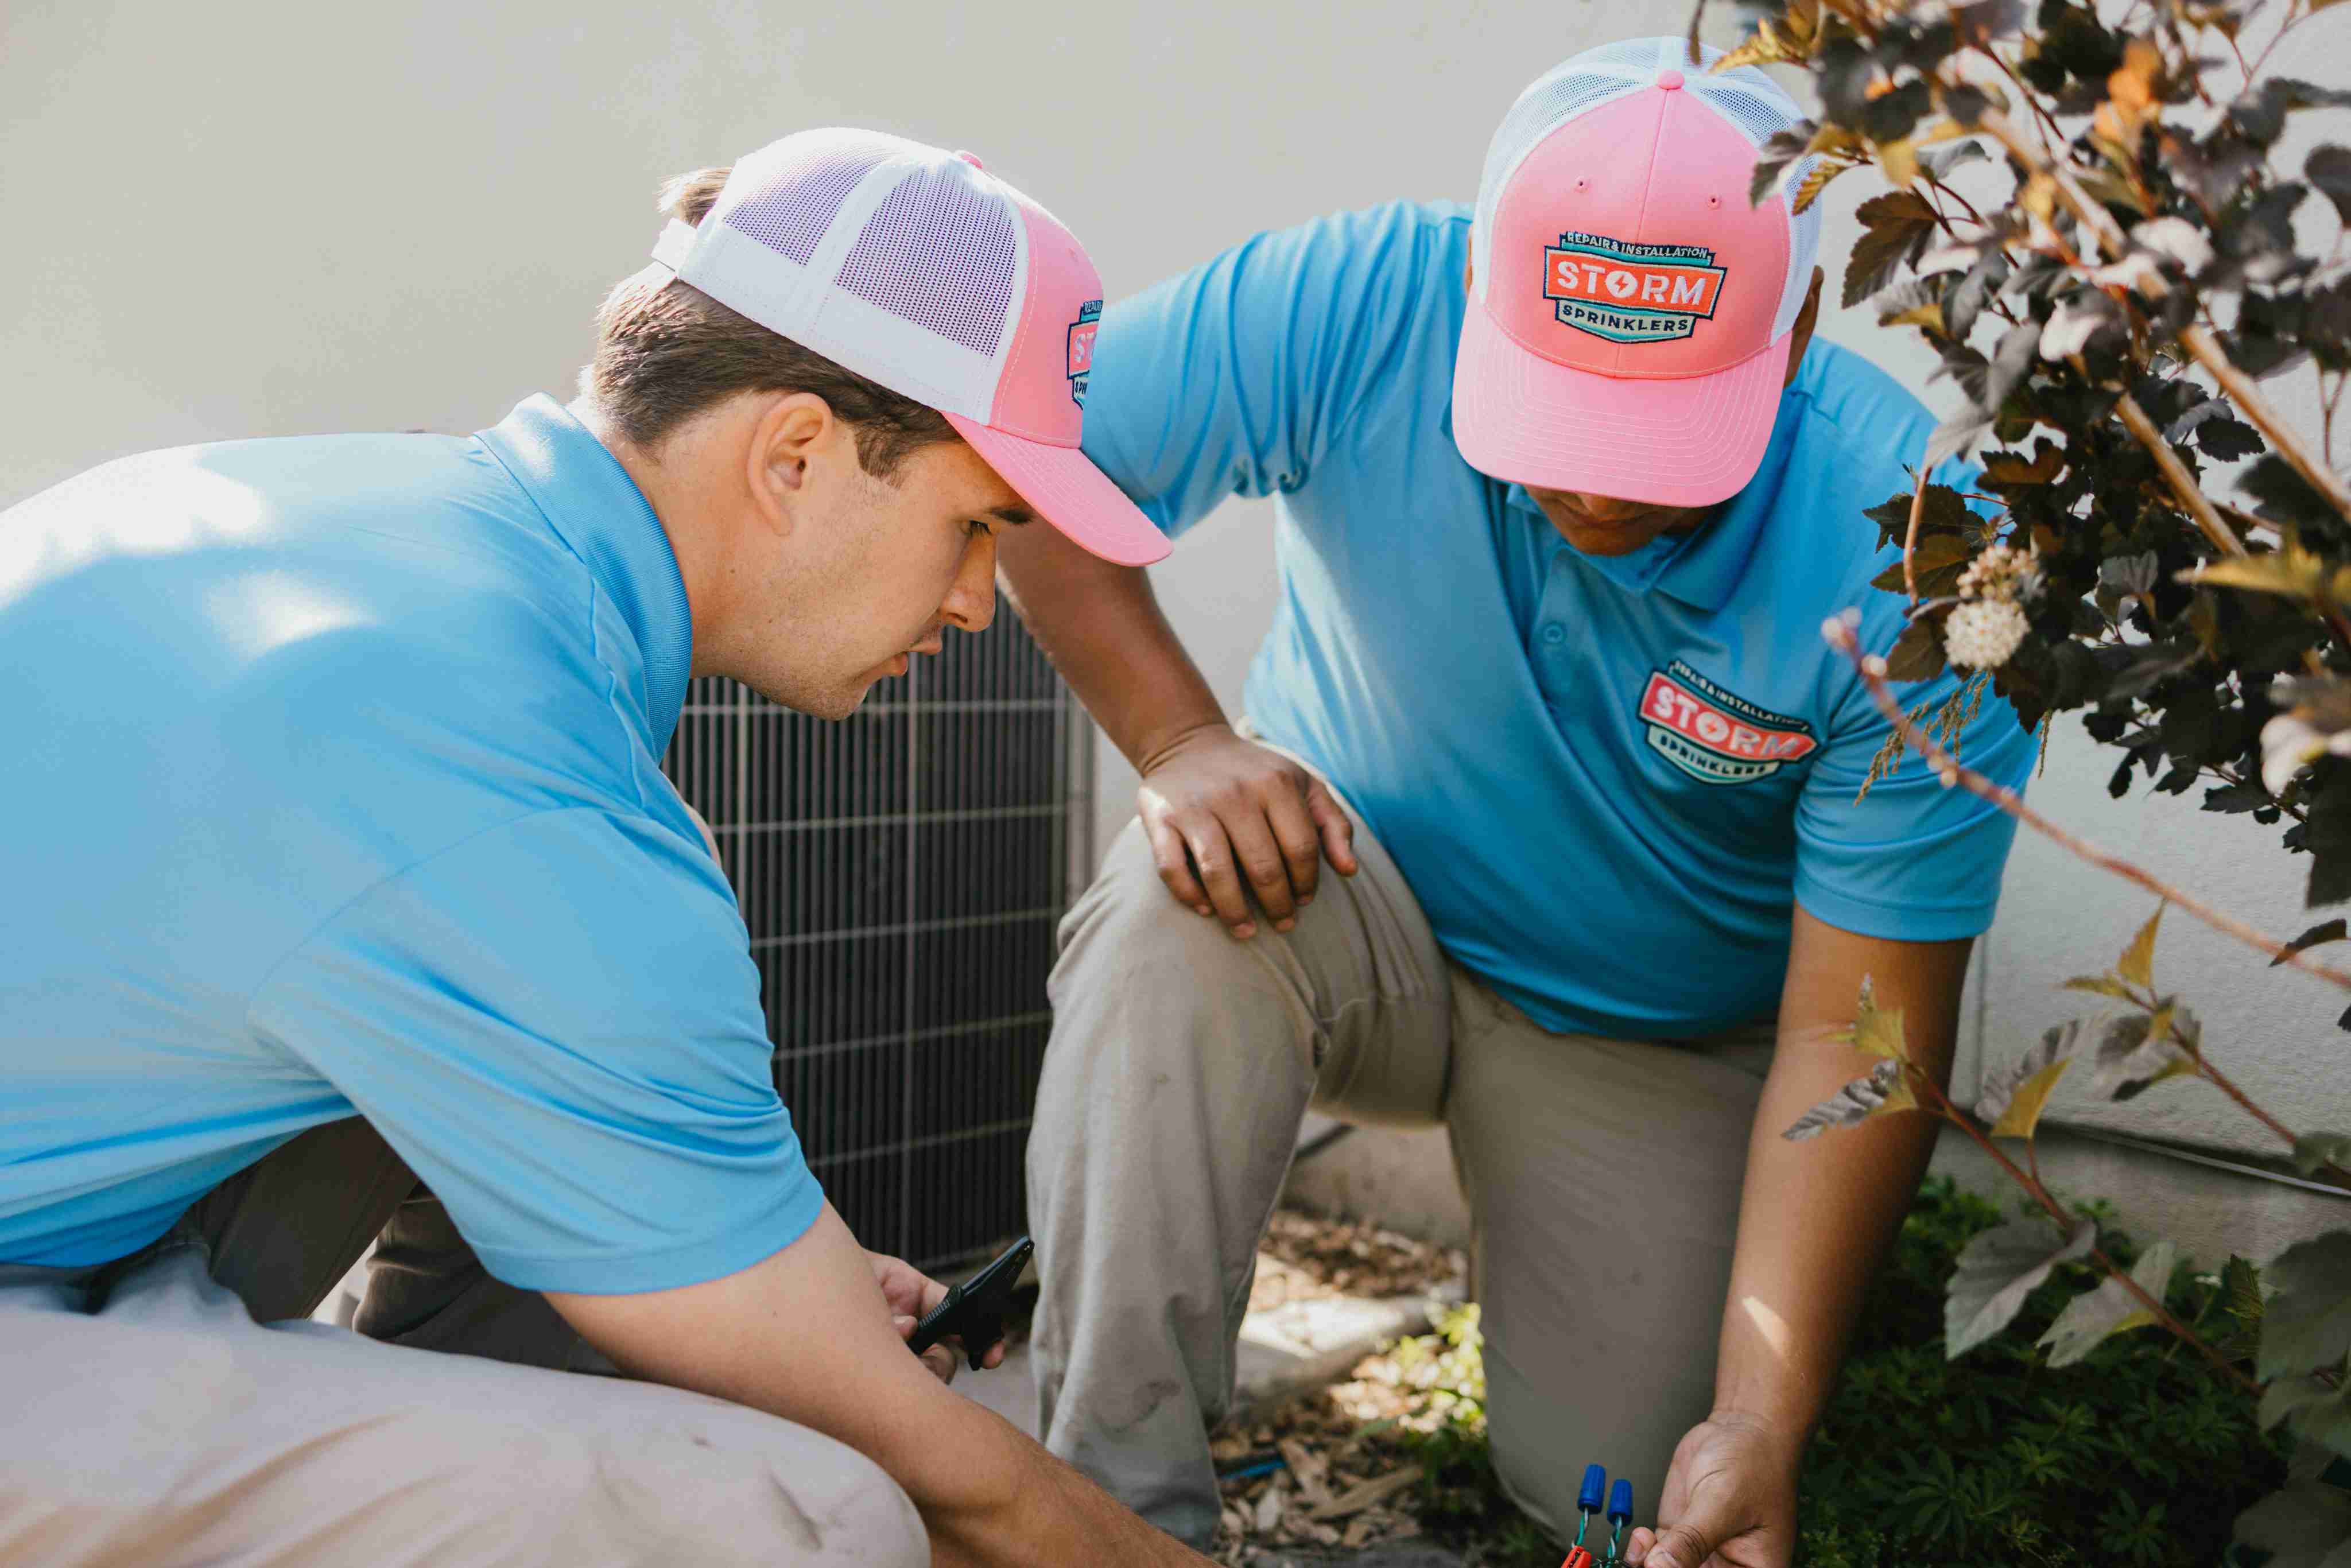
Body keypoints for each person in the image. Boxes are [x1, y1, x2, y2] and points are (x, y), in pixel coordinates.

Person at [0, 128, 1212, 1568]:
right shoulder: (506, 778)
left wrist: (774, 1294)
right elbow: (971, 1495)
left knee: (713, 1342)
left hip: (65, 1226)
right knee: (810, 1514)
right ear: (796, 452)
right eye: (972, 527)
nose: (972, 604)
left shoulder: (368, 531)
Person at [1002, 37, 2035, 1568]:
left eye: (1659, 437)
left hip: (1652, 1035)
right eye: (1562, 417)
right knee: (1177, 903)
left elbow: (1852, 1031)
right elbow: (1036, 479)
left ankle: (1574, 1293)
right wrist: (1180, 742)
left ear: (1803, 317)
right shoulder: (1353, 300)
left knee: (1619, 1494)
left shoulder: (1929, 558)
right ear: (1480, 282)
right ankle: (1094, 1509)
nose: (1602, 490)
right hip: (1352, 907)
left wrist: (1761, 1414)